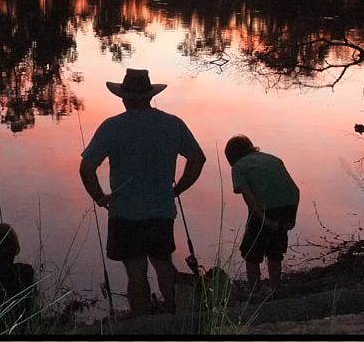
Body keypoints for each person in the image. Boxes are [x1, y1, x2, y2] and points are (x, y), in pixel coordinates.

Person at [79, 68, 206, 316]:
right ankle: (172, 312)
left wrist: (99, 197)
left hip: (124, 213)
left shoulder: (111, 127)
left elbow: (86, 168)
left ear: (124, 98)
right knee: (163, 264)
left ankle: (140, 320)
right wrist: (178, 188)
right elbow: (197, 159)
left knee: (135, 272)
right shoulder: (173, 124)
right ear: (150, 96)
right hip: (161, 210)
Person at [224, 135, 300, 292]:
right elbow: (295, 190)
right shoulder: (274, 159)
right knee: (275, 252)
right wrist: (292, 218)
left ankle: (254, 291)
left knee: (251, 255)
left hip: (265, 210)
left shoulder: (238, 167)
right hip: (287, 207)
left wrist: (264, 220)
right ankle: (275, 289)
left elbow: (249, 199)